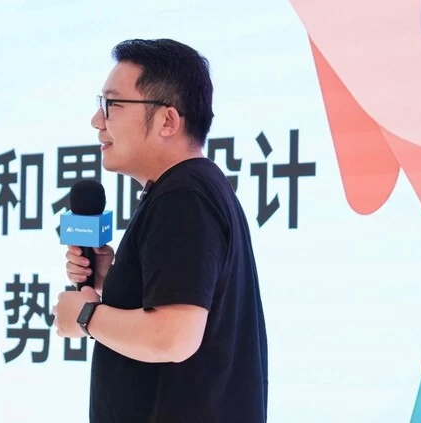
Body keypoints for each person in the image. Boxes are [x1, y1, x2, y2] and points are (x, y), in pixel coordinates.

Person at [51, 38, 268, 423]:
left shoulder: (184, 196)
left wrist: (85, 316)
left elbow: (173, 337)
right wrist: (114, 280)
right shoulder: (189, 189)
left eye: (112, 105)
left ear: (168, 120)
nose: (97, 121)